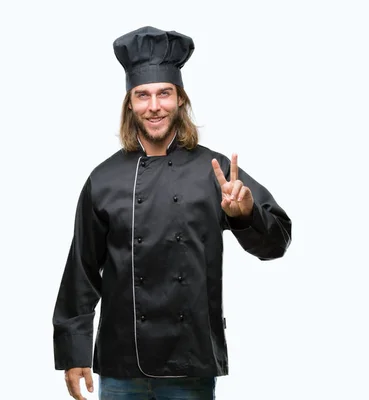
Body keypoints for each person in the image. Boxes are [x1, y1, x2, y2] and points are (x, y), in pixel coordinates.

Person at [52, 26, 292, 400]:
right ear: (129, 103)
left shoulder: (214, 171)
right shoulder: (104, 179)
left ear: (180, 100)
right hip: (121, 366)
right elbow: (81, 272)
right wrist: (73, 350)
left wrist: (246, 215)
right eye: (142, 95)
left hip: (190, 363)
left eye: (164, 93)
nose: (154, 106)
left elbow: (277, 242)